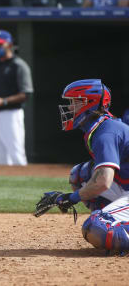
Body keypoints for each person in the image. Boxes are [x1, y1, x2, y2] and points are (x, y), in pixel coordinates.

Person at [38, 79, 129, 254]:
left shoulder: (106, 132)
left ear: (90, 103)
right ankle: (116, 219)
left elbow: (103, 182)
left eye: (74, 102)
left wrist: (70, 198)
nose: (70, 108)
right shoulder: (101, 127)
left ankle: (111, 223)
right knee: (80, 175)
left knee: (95, 227)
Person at [0, 30, 33, 166]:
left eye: (0, 44)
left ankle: (24, 183)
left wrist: (3, 101)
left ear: (9, 45)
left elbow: (26, 94)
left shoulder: (18, 65)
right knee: (0, 157)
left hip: (11, 114)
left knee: (16, 154)